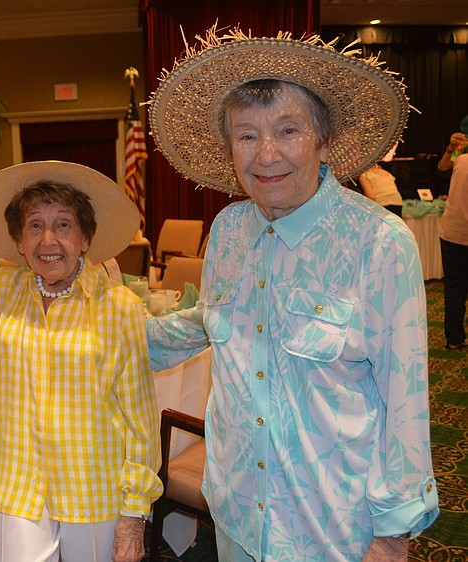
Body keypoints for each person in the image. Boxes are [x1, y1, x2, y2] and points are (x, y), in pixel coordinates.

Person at [146, 26, 439, 561]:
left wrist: (392, 537)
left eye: (288, 129)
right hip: (235, 513)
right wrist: (104, 325)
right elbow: (211, 322)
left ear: (323, 140)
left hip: (330, 530)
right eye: (247, 135)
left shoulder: (378, 243)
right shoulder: (229, 230)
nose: (267, 154)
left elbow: (405, 403)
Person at [0, 161, 162, 562]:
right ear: (19, 240)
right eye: (34, 226)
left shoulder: (119, 308)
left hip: (94, 484)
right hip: (19, 483)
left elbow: (140, 420)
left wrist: (134, 514)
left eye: (64, 224)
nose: (49, 239)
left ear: (84, 238)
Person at [438, 125, 468, 350]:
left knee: (454, 287)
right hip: (455, 232)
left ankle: (454, 337)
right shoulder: (461, 157)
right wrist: (450, 149)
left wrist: (452, 150)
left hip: (451, 232)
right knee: (455, 287)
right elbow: (442, 166)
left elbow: (443, 167)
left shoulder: (462, 159)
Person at [359, 143, 403, 216]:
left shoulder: (365, 175)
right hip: (397, 202)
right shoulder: (387, 173)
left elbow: (371, 196)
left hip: (381, 203)